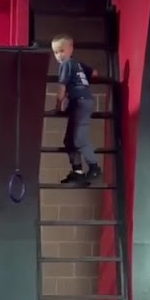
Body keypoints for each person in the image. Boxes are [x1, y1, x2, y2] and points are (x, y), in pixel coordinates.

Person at [50, 33, 102, 188]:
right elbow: (95, 73)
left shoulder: (66, 64)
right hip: (80, 102)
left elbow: (61, 87)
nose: (59, 55)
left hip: (80, 102)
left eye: (62, 50)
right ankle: (78, 172)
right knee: (69, 140)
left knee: (79, 139)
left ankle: (94, 168)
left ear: (71, 49)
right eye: (56, 52)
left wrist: (58, 105)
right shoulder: (77, 64)